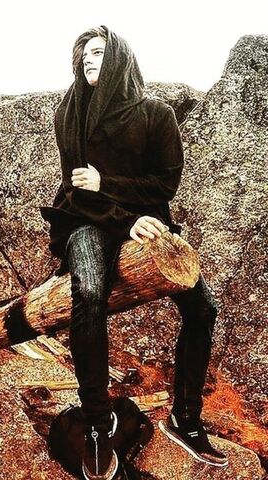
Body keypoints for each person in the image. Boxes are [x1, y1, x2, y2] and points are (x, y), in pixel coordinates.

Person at [40, 25, 228, 479]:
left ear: (120, 59)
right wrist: (123, 219)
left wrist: (110, 186)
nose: (88, 60)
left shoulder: (155, 114)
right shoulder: (70, 114)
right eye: (83, 55)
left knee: (203, 307)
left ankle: (186, 417)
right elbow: (78, 190)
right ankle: (97, 424)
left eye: (98, 53)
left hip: (146, 219)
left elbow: (165, 184)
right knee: (89, 293)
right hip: (86, 219)